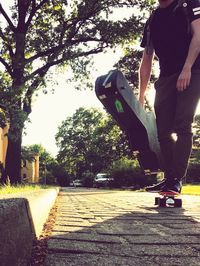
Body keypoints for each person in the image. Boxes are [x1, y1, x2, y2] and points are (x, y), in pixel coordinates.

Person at [138, 0, 200, 193]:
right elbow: (147, 58)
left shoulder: (190, 4)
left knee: (182, 124)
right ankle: (169, 177)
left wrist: (187, 68)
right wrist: (140, 95)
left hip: (193, 71)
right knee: (162, 130)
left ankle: (176, 179)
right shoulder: (153, 19)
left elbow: (198, 35)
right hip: (166, 76)